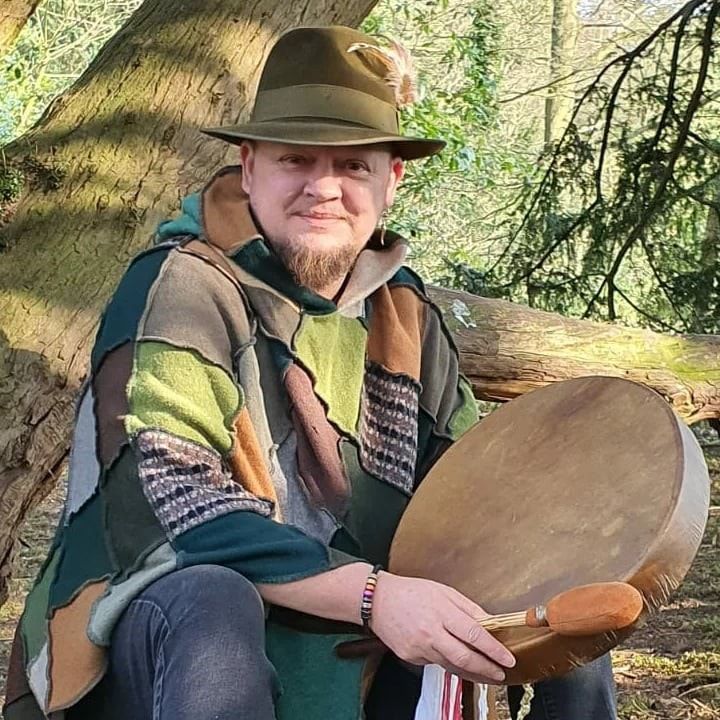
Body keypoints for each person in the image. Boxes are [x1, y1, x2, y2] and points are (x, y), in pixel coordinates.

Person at [3, 25, 616, 720]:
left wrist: (561, 561)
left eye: (353, 166)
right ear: (249, 164)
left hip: (366, 640)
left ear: (392, 178)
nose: (324, 187)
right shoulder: (180, 288)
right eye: (297, 160)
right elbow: (167, 504)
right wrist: (374, 594)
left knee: (575, 621)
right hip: (170, 654)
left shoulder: (403, 310)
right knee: (212, 600)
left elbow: (467, 488)